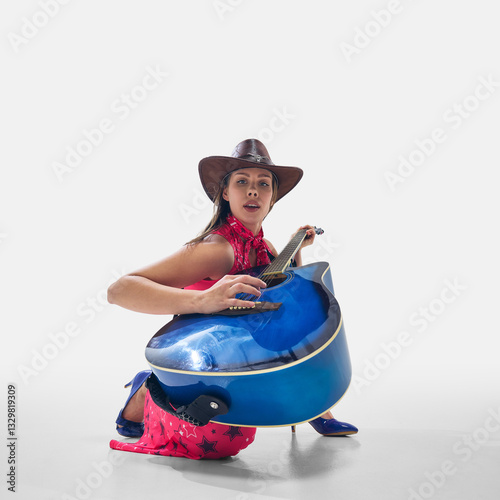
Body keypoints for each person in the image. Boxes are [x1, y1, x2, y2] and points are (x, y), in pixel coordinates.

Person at [107, 138, 357, 460]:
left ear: (272, 197)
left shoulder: (265, 247)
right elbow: (120, 290)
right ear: (225, 193)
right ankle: (152, 389)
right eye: (242, 182)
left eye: (263, 184)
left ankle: (314, 404)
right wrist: (201, 301)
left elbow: (284, 298)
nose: (253, 191)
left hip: (236, 356)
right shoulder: (218, 249)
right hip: (203, 358)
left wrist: (296, 251)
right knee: (223, 445)